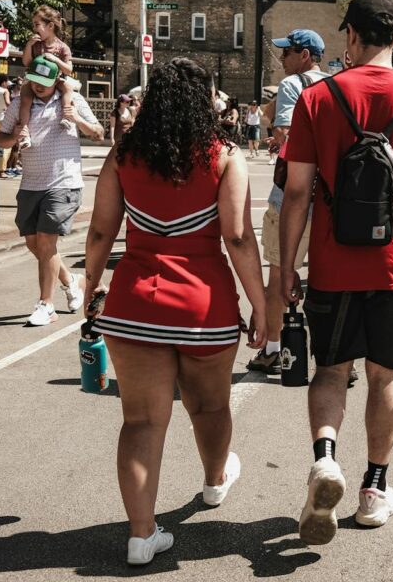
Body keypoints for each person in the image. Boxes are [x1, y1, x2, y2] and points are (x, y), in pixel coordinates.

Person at [278, 0, 393, 544]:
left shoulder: (318, 97)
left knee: (332, 370)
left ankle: (325, 461)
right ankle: (374, 490)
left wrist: (285, 268)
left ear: (353, 37)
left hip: (334, 265)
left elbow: (295, 194)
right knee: (384, 376)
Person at [81, 57, 267, 566]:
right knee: (210, 407)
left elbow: (99, 232)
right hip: (204, 306)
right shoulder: (225, 157)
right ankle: (213, 480)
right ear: (205, 99)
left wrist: (89, 285)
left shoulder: (124, 156)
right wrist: (262, 305)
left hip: (134, 303)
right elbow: (236, 237)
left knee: (140, 421)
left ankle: (141, 535)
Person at [246, 29, 329, 377]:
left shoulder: (293, 86)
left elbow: (287, 132)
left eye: (287, 53)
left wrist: (280, 142)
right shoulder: (334, 84)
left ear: (305, 55)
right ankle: (334, 355)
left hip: (292, 195)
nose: (282, 59)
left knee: (280, 274)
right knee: (327, 279)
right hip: (329, 197)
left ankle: (274, 350)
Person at [0, 56, 101, 326]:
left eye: (46, 82)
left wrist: (77, 119)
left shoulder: (73, 101)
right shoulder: (19, 104)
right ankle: (69, 280)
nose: (40, 87)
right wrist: (14, 136)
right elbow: (0, 138)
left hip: (64, 182)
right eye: (35, 82)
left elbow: (99, 133)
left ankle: (46, 305)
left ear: (57, 80)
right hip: (31, 183)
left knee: (46, 241)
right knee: (34, 243)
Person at [14, 6, 80, 149]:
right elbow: (26, 62)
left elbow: (68, 69)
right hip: (36, 80)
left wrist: (55, 59)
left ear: (50, 26)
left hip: (55, 80)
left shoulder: (62, 47)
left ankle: (66, 115)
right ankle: (24, 133)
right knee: (25, 98)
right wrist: (29, 45)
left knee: (68, 88)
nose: (34, 28)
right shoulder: (36, 44)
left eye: (37, 24)